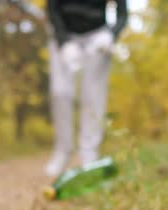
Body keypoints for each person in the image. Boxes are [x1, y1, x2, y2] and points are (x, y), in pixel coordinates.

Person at [45, 0, 128, 177]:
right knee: (60, 92)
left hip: (98, 35)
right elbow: (52, 9)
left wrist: (111, 35)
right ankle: (63, 151)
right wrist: (63, 42)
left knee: (93, 96)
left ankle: (89, 154)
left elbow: (123, 14)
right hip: (64, 33)